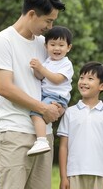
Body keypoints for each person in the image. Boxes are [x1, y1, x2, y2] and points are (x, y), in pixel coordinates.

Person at [0, 0, 66, 189]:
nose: (50, 27)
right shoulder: (3, 41)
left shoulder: (44, 44)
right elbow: (5, 88)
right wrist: (42, 108)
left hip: (44, 134)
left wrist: (58, 107)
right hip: (13, 133)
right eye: (48, 21)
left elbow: (56, 80)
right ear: (32, 14)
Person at [57, 61, 103, 189]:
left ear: (102, 86)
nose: (83, 82)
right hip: (73, 173)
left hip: (100, 174)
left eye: (90, 79)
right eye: (81, 77)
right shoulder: (69, 112)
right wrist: (63, 177)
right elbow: (63, 147)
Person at [27, 26, 74, 156]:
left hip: (57, 97)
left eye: (61, 45)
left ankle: (41, 141)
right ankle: (41, 139)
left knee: (36, 114)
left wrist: (41, 68)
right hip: (48, 96)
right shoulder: (48, 61)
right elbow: (40, 77)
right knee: (42, 115)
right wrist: (36, 69)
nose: (57, 48)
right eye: (52, 44)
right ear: (46, 46)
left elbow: (57, 79)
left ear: (68, 47)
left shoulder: (66, 64)